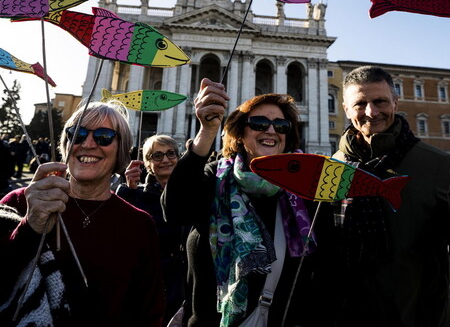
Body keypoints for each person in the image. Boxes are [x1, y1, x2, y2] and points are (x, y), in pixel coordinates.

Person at [162, 78, 314, 326]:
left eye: (281, 125)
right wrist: (207, 132)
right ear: (241, 133)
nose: (271, 130)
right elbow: (175, 209)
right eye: (259, 123)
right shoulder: (215, 177)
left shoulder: (304, 190)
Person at [0, 100, 165, 326]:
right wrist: (30, 227)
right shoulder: (20, 202)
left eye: (104, 137)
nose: (87, 144)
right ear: (66, 145)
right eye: (77, 134)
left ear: (121, 151)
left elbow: (149, 313)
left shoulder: (139, 224)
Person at [324, 65, 450, 326]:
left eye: (380, 101)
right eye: (360, 104)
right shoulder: (333, 168)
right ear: (346, 109)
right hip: (348, 314)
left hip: (417, 315)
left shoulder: (439, 166)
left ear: (395, 101)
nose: (371, 112)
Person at [116, 134, 187, 325]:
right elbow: (119, 232)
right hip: (152, 286)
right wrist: (128, 190)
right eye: (157, 156)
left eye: (171, 153)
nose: (165, 160)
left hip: (187, 285)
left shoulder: (192, 193)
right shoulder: (137, 197)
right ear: (147, 164)